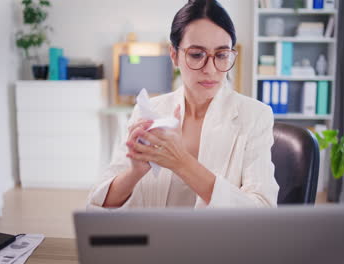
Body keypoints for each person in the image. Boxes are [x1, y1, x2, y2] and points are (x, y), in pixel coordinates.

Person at [87, 0, 279, 209]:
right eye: (197, 55)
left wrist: (182, 162)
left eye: (222, 55)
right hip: (158, 239)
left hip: (216, 241)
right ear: (174, 55)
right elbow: (97, 207)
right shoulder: (150, 111)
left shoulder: (255, 116)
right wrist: (134, 173)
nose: (211, 69)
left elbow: (262, 212)